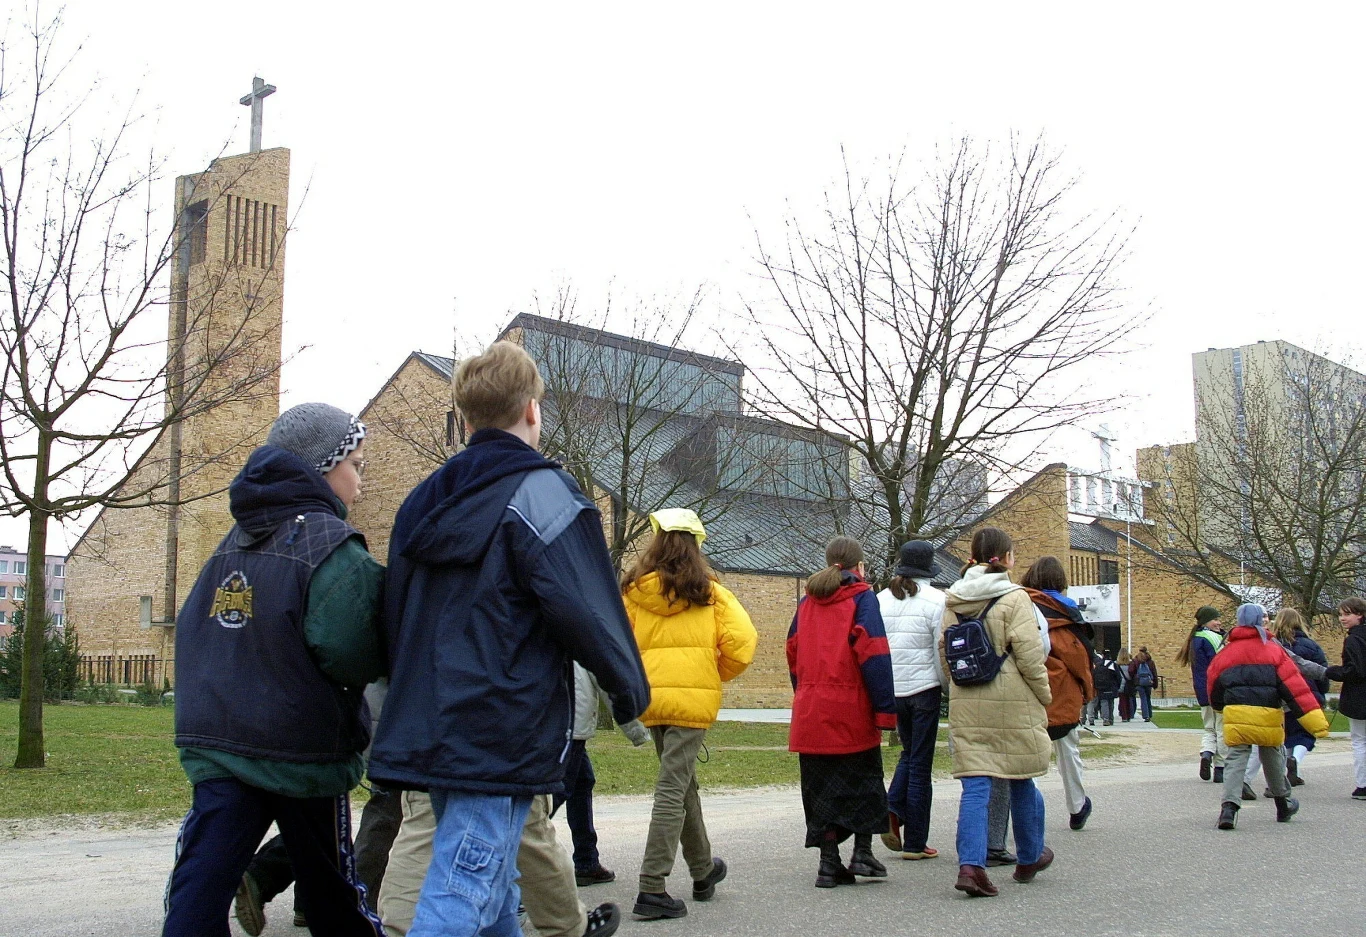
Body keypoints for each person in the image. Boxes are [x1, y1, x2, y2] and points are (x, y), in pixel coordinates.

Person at [367, 340, 650, 937]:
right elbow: (590, 611)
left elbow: (395, 612)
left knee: (493, 889)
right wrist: (629, 691)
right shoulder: (545, 494)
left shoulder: (422, 500)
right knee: (464, 884)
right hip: (501, 724)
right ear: (531, 410)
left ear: (466, 417)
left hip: (430, 718)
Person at [162, 403, 387, 937]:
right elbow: (356, 652)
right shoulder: (332, 546)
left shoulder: (232, 541)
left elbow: (194, 629)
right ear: (322, 467)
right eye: (356, 464)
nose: (360, 481)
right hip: (301, 746)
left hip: (219, 740)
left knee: (200, 884)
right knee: (333, 893)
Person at [622, 508, 758, 919]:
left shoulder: (634, 592)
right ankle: (651, 887)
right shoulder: (711, 592)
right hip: (691, 702)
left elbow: (619, 645)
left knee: (682, 783)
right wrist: (710, 673)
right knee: (672, 787)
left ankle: (703, 870)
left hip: (652, 699)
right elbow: (742, 646)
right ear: (696, 545)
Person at [939, 527, 1053, 898]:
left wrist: (956, 687)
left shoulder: (953, 599)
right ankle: (1029, 856)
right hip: (1013, 699)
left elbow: (944, 652)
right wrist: (1044, 695)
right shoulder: (1015, 597)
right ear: (1005, 558)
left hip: (967, 698)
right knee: (1021, 777)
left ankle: (971, 866)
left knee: (975, 784)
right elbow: (1030, 656)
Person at [788, 536, 897, 888]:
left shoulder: (806, 602)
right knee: (864, 783)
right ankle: (862, 853)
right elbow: (874, 655)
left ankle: (828, 862)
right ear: (859, 566)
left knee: (820, 789)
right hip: (852, 709)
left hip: (811, 711)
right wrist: (885, 710)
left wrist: (805, 692)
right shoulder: (862, 598)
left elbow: (793, 652)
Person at [1206, 603, 1330, 830]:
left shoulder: (1226, 653)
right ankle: (1283, 804)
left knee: (1235, 758)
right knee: (1272, 756)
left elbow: (1214, 685)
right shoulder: (1274, 651)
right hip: (1268, 714)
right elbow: (1295, 688)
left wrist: (1219, 706)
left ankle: (1229, 808)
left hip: (1237, 713)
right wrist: (1314, 720)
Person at [878, 540, 948, 860]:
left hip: (894, 689)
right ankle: (916, 841)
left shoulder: (881, 599)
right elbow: (938, 650)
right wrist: (945, 687)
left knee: (910, 752)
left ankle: (893, 809)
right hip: (924, 689)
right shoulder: (938, 601)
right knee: (921, 764)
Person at [1020, 556, 1095, 831]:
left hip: (1028, 685)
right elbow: (1078, 656)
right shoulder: (1067, 611)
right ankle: (1077, 805)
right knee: (1068, 749)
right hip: (1063, 689)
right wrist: (1087, 689)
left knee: (1026, 755)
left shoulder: (1020, 604)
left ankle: (1027, 811)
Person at [561, 664, 651, 886]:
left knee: (582, 782)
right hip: (568, 725)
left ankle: (586, 861)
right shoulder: (582, 641)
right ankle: (513, 869)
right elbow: (608, 682)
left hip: (558, 722)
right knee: (547, 802)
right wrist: (636, 731)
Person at [1273, 608, 1329, 787]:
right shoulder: (1311, 645)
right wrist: (1322, 693)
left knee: (1287, 735)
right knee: (1305, 734)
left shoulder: (1273, 645)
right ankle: (1295, 760)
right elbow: (1321, 672)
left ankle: (1288, 770)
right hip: (1307, 695)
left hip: (1282, 696)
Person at [1176, 606, 1227, 783]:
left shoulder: (1195, 639)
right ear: (1206, 622)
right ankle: (1220, 767)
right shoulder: (1213, 638)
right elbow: (1222, 663)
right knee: (1221, 730)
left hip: (1202, 691)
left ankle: (1207, 752)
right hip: (1218, 690)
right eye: (1215, 619)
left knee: (1209, 728)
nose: (1219, 622)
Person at [1325, 596, 1366, 800]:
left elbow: (1354, 671)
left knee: (1360, 741)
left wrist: (1332, 671)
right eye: (1341, 614)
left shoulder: (1353, 640)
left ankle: (1363, 785)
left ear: (1360, 615)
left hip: (1359, 697)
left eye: (1347, 614)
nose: (1342, 618)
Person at [1129, 646, 1159, 721]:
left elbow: (1131, 671)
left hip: (1139, 682)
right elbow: (1154, 673)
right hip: (1149, 682)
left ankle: (1146, 715)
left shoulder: (1135, 660)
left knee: (1143, 698)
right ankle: (1149, 714)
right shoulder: (1150, 661)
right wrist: (1155, 684)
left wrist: (1134, 679)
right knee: (1148, 698)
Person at [1091, 651, 1120, 726]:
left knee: (1104, 703)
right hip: (1112, 686)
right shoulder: (1113, 665)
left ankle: (1105, 719)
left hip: (1101, 687)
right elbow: (1118, 677)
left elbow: (1094, 675)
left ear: (1103, 655)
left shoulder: (1099, 665)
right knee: (1111, 703)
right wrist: (1117, 686)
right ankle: (1110, 719)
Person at [1116, 649, 1135, 721]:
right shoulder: (1131, 664)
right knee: (1128, 700)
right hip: (1128, 684)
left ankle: (1124, 716)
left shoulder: (1116, 664)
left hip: (1120, 684)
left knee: (1122, 700)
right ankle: (1129, 715)